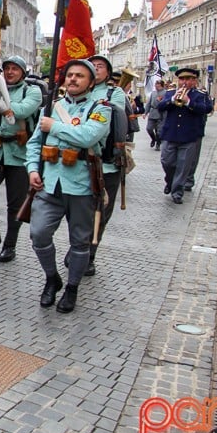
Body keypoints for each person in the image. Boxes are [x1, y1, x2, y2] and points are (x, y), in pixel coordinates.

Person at [26, 59, 111, 313]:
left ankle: (72, 287)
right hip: (50, 183)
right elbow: (34, 143)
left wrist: (55, 127)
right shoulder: (51, 107)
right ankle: (52, 278)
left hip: (82, 185)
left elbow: (88, 136)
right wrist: (31, 169)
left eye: (80, 76)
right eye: (70, 75)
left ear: (92, 82)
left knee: (80, 242)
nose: (73, 79)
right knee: (39, 234)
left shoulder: (101, 108)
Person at [0, 55, 42, 264]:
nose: (9, 72)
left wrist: (5, 106)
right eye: (6, 68)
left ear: (23, 72)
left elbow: (24, 110)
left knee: (16, 204)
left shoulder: (32, 91)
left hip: (19, 153)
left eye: (15, 69)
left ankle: (10, 245)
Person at [81, 54, 130, 276]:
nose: (96, 68)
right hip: (80, 163)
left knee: (101, 211)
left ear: (108, 73)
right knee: (80, 211)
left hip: (107, 162)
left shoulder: (115, 93)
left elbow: (110, 116)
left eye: (100, 66)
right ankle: (78, 248)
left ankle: (90, 253)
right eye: (92, 66)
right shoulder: (78, 89)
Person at [157, 68, 214, 203]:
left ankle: (177, 192)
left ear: (194, 81)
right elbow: (160, 106)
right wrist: (171, 100)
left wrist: (189, 102)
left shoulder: (200, 95)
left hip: (189, 136)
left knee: (183, 166)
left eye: (188, 79)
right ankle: (170, 182)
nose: (184, 82)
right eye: (182, 79)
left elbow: (207, 109)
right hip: (170, 134)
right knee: (167, 161)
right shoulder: (171, 92)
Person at [144, 79, 167, 150]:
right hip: (153, 112)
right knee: (149, 128)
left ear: (162, 86)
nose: (157, 86)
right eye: (156, 85)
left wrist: (162, 101)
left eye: (158, 85)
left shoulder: (166, 93)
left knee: (159, 131)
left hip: (161, 113)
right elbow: (148, 103)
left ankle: (158, 144)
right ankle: (153, 139)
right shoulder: (153, 93)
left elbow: (167, 103)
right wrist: (145, 112)